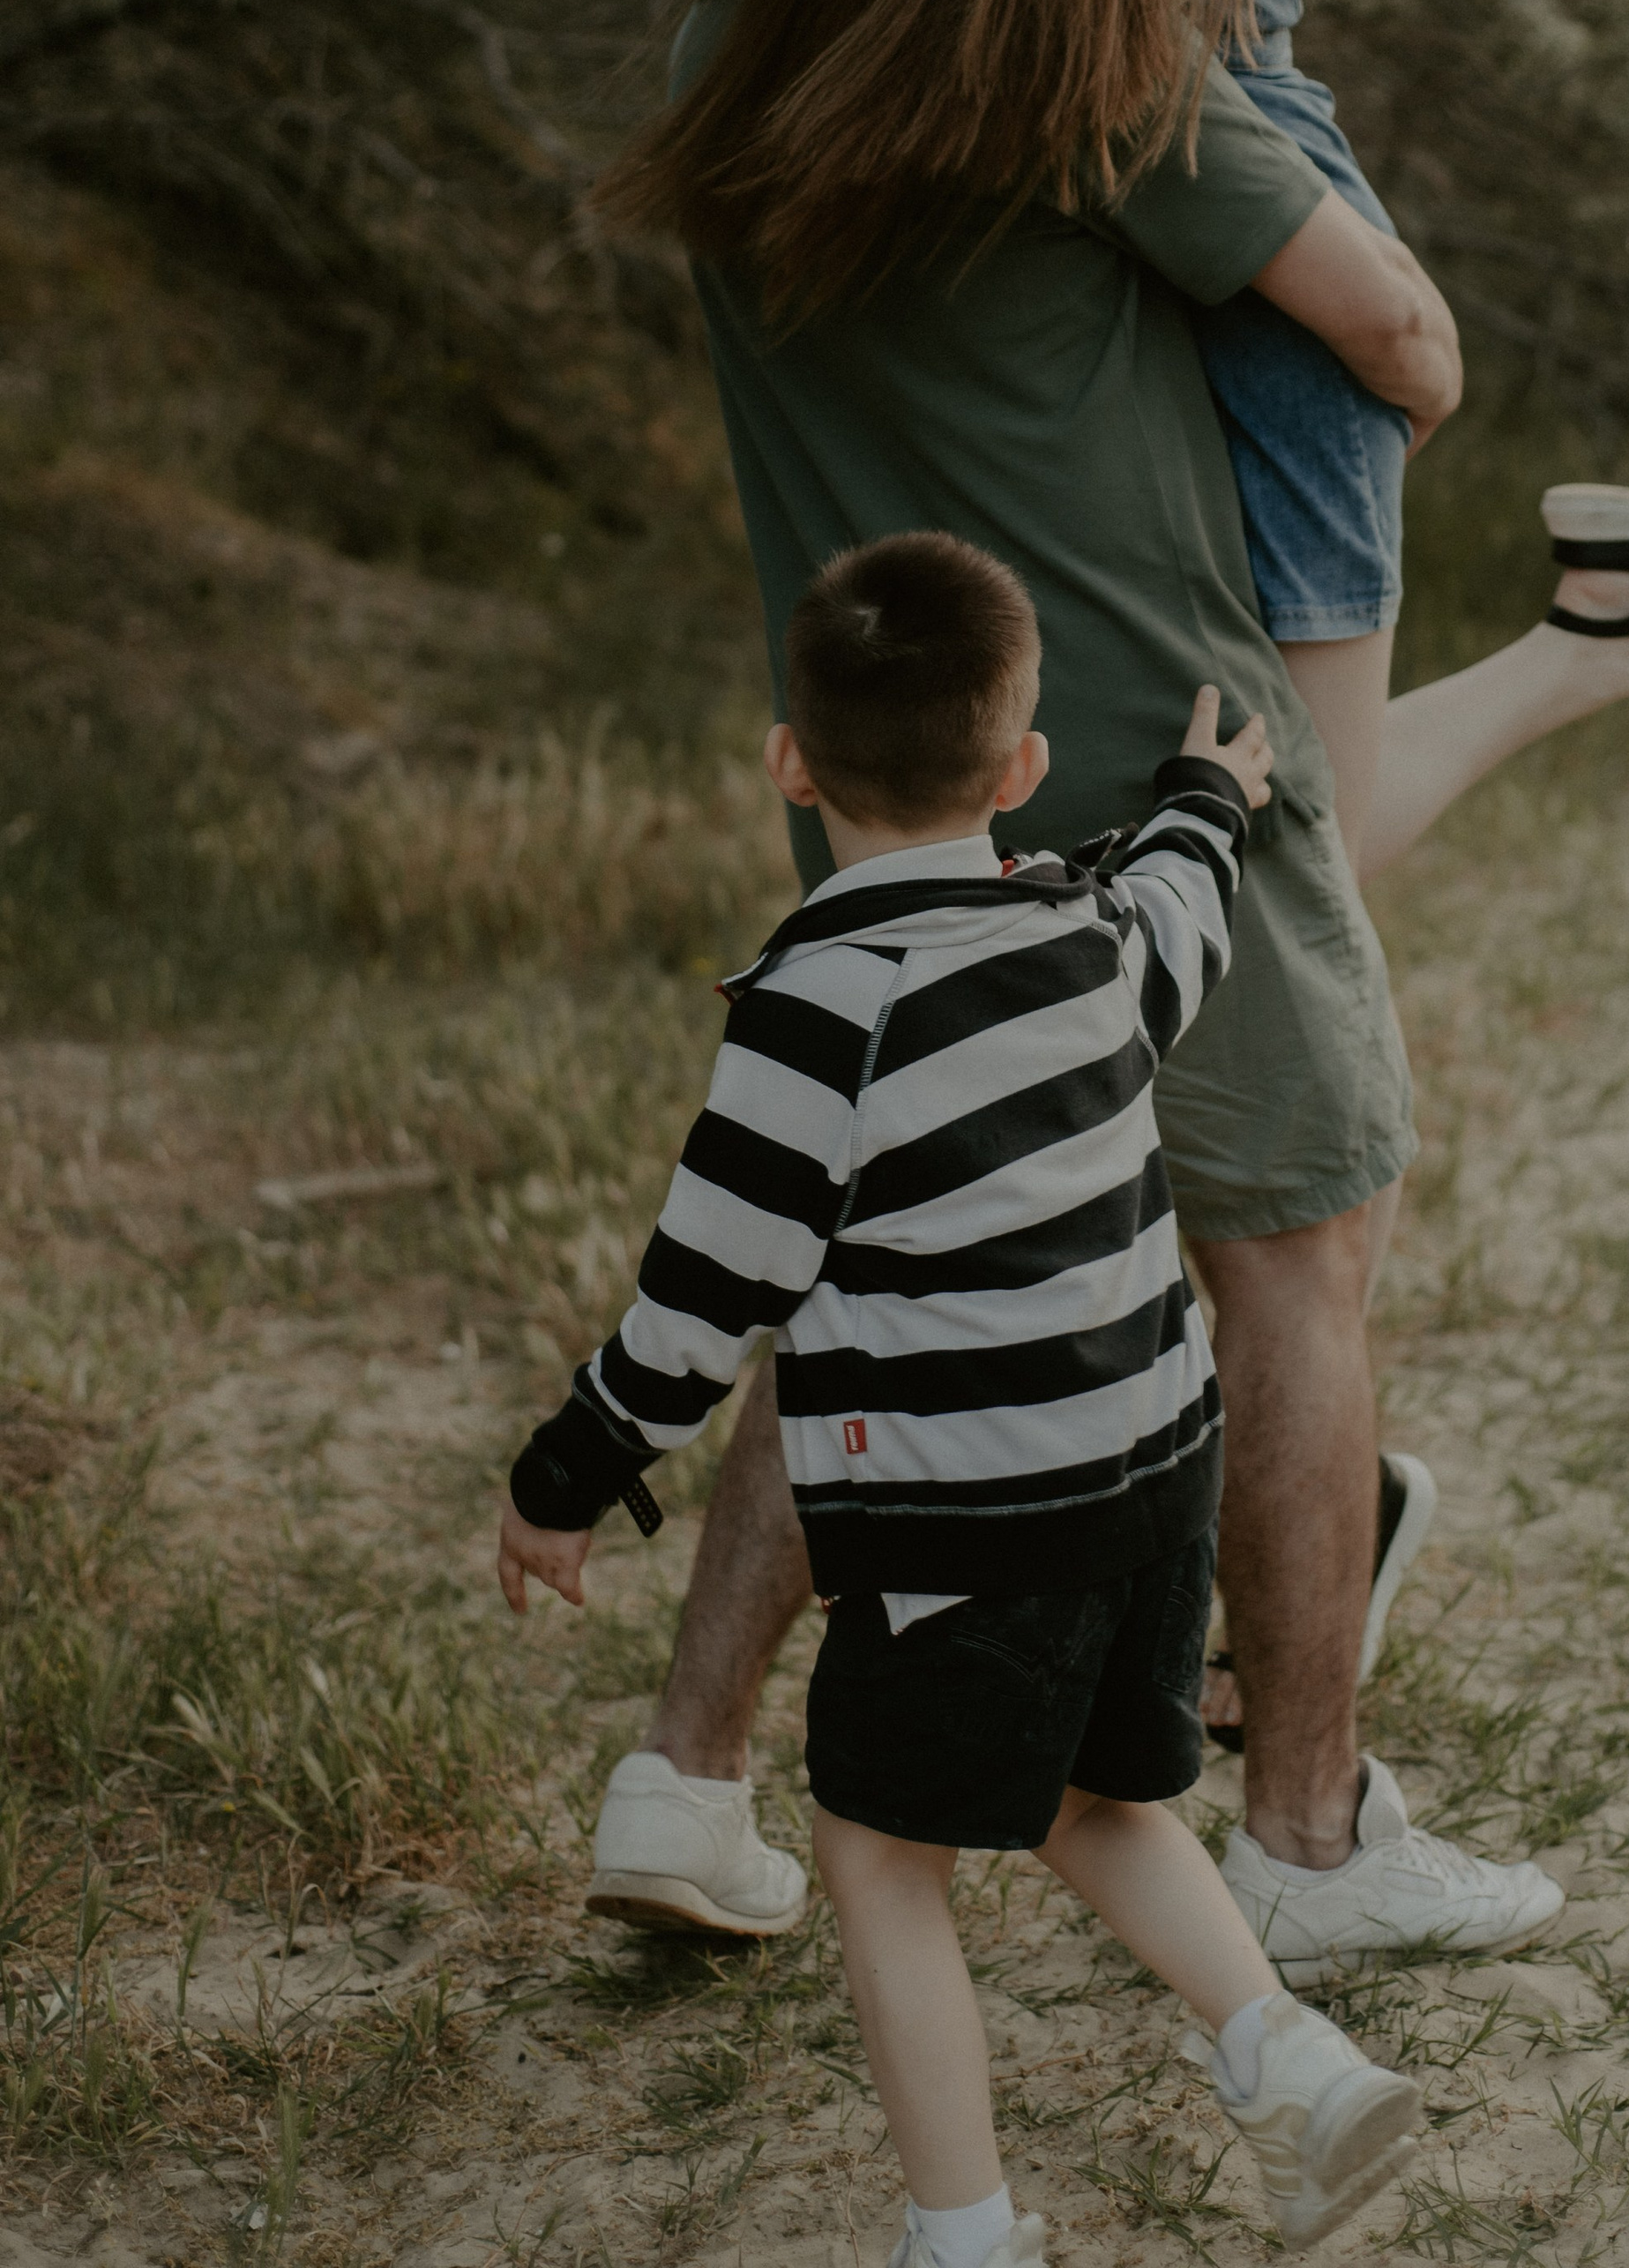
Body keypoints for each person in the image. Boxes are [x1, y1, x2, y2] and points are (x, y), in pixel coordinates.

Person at [585, 0, 1629, 1970]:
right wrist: (1391, 374)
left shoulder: (732, 46)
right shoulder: (1071, 59)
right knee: (1303, 1255)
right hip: (1165, 749)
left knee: (879, 1268)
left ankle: (685, 1778)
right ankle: (1307, 1838)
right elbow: (1394, 329)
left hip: (888, 785)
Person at [499, 535, 1431, 2265]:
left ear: (789, 764)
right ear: (1016, 772)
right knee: (1097, 1806)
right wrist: (1201, 795)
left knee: (874, 1854)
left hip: (967, 1529)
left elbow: (705, 1296)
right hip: (1152, 1489)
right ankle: (1289, 2063)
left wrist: (570, 1473)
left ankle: (964, 2235)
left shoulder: (811, 1018)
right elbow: (1182, 911)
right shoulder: (1081, 942)